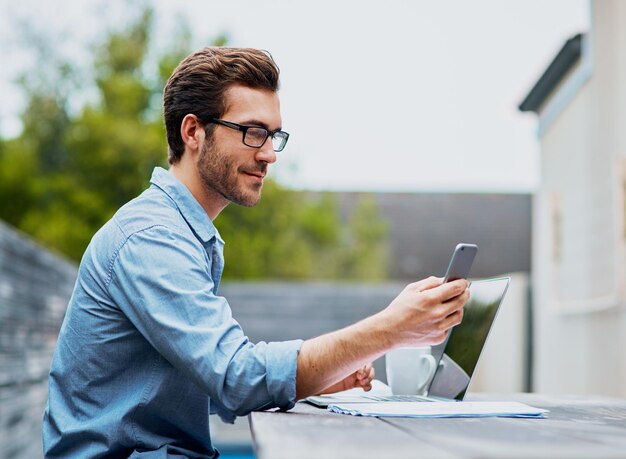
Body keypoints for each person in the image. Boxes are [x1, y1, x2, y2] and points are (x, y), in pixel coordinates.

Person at [42, 47, 469, 458]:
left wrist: (314, 382)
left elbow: (196, 384)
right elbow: (235, 378)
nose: (267, 154)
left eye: (273, 135)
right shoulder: (152, 239)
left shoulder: (182, 234)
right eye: (252, 132)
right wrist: (390, 330)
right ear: (193, 132)